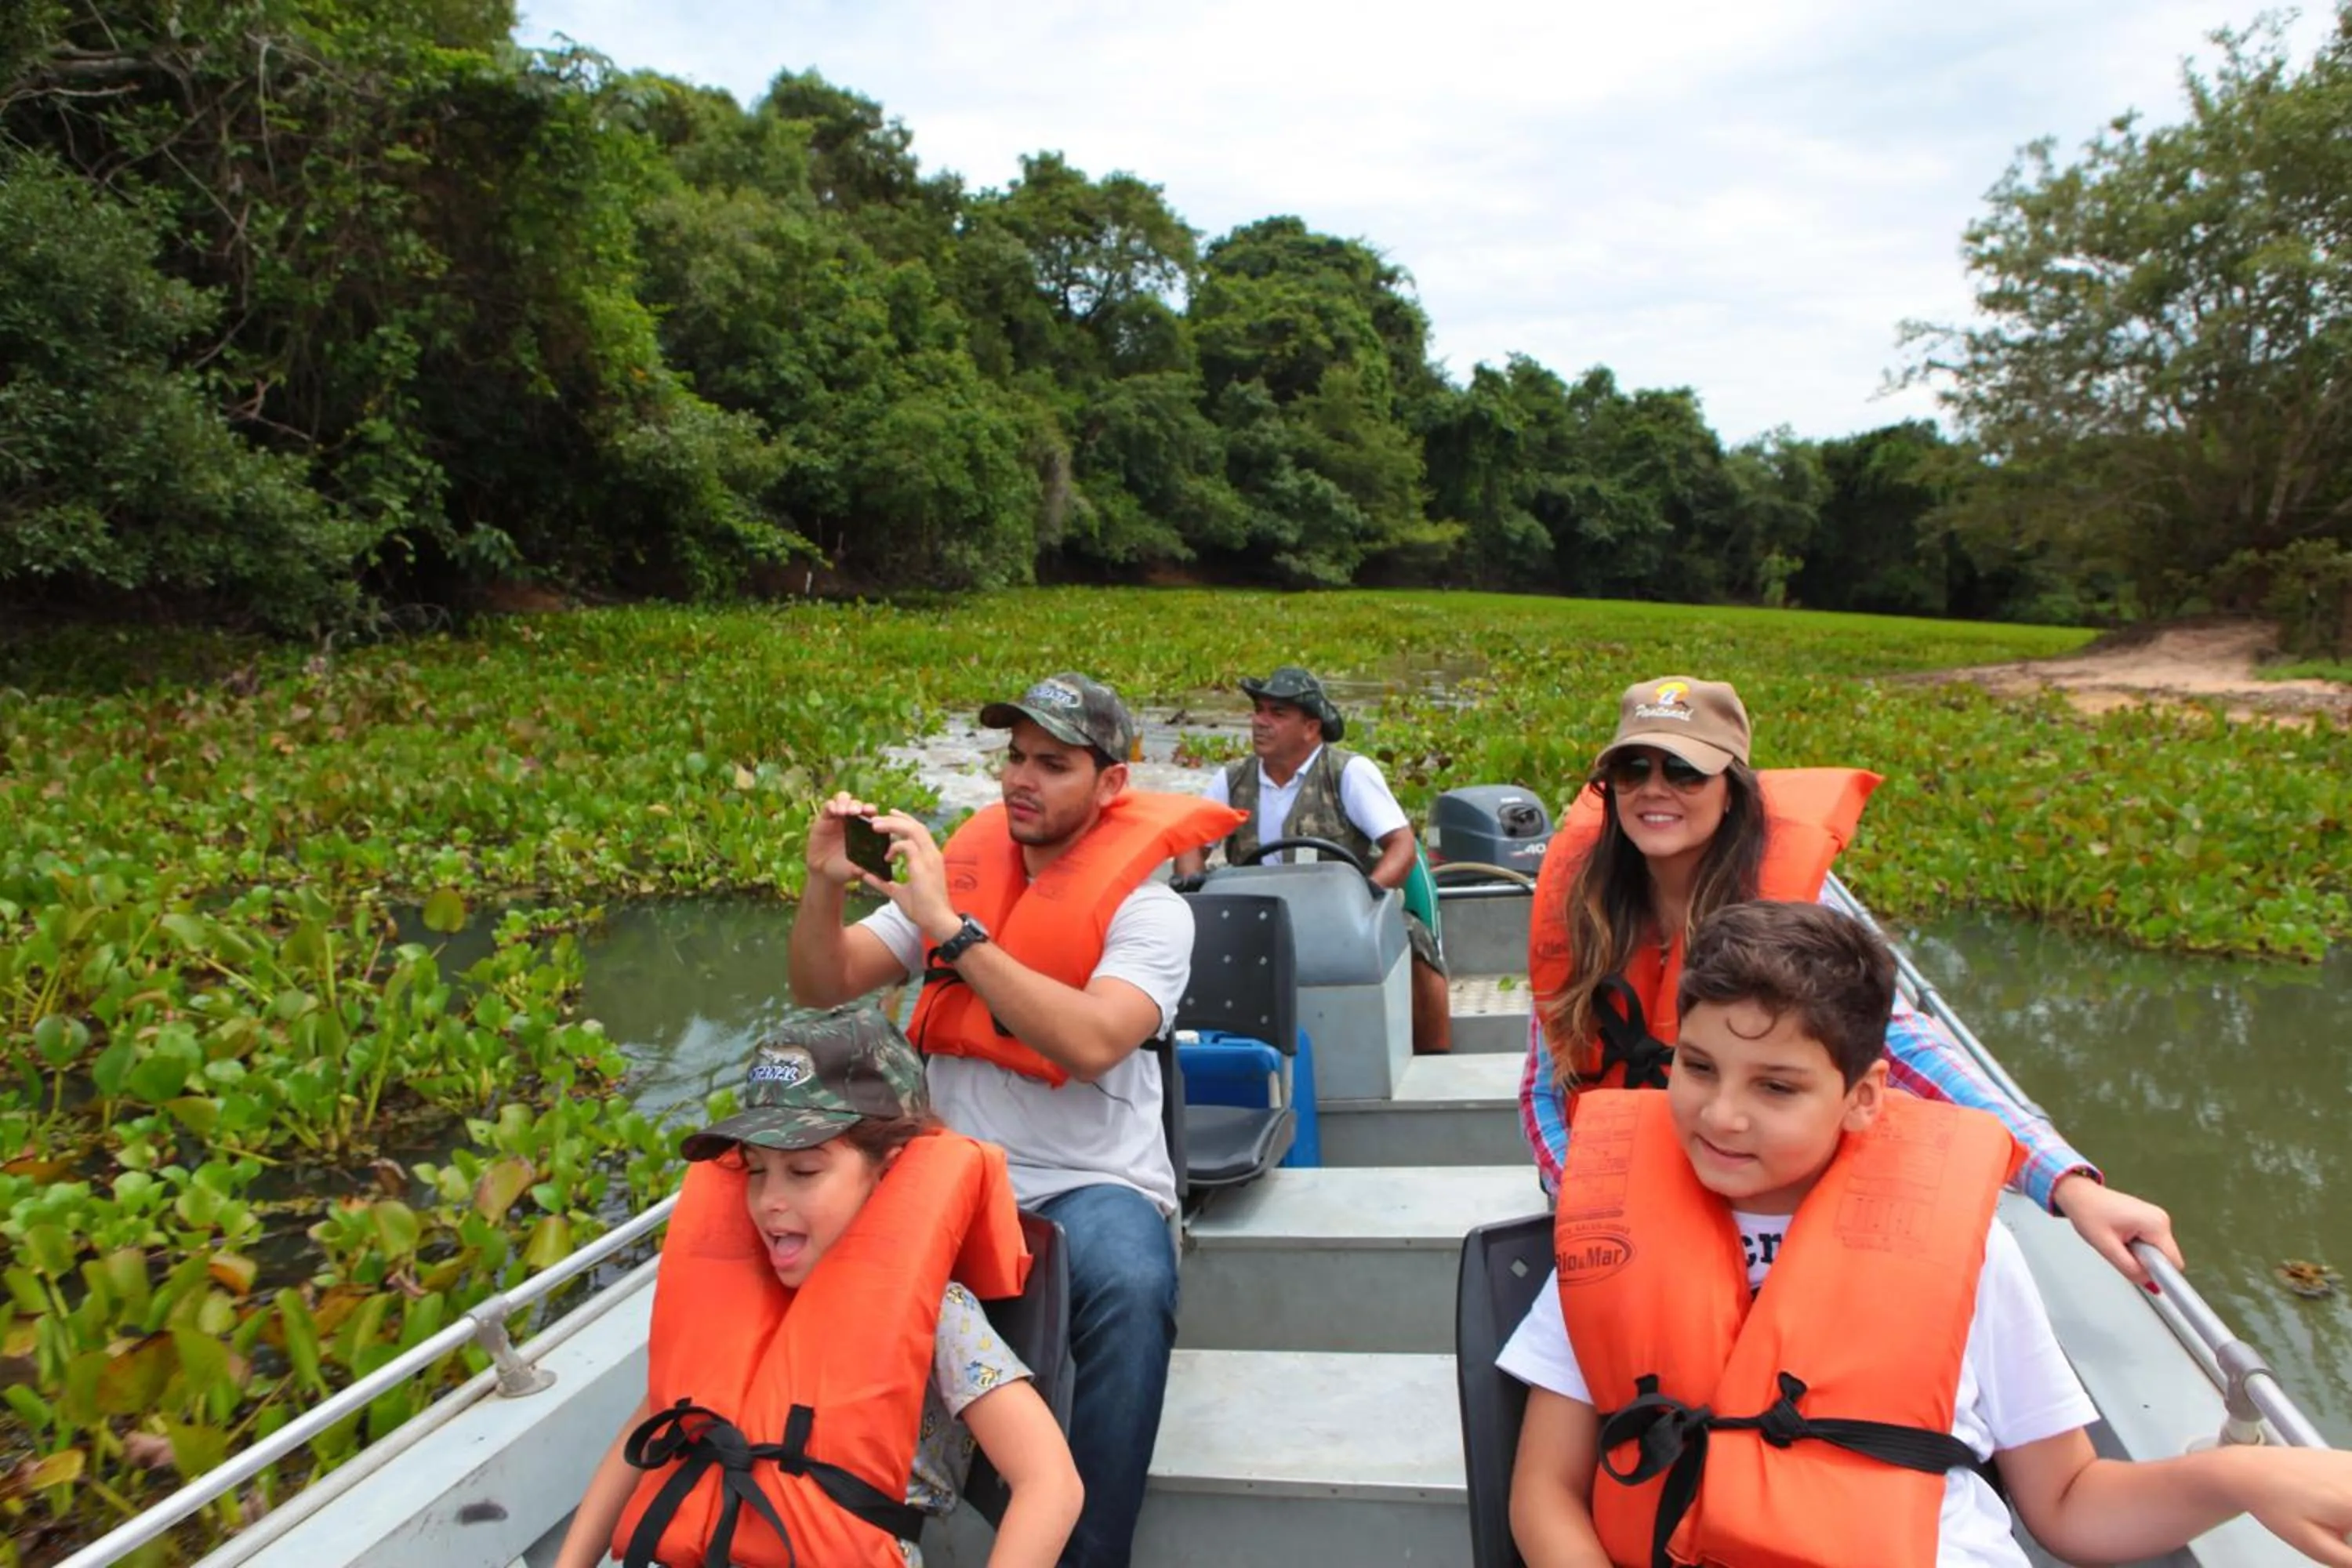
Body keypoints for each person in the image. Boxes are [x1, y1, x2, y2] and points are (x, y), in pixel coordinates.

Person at [1501, 901, 2352, 1568]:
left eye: (1778, 1086)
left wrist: (2239, 1474)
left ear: (1865, 1096)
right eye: (1697, 1067)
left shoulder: (1972, 1253)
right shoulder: (1612, 1233)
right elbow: (1547, 1487)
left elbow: (2066, 1501)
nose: (1722, 1114)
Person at [788, 673, 1243, 1568]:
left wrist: (950, 932)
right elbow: (822, 981)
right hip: (947, 1175)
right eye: (1014, 757)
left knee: (1130, 1278)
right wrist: (822, 884)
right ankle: (844, 1535)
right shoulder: (955, 877)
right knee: (807, 1240)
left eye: (1054, 763)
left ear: (1111, 784)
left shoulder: (1148, 909)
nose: (1021, 780)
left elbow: (1094, 1038)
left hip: (1086, 1186)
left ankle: (1089, 1551)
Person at [1518, 674, 2179, 1285]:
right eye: (1634, 768)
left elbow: (1908, 1049)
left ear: (1733, 791)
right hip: (1618, 1207)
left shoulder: (1800, 914)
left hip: (1770, 1205)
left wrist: (2069, 1184)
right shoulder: (1584, 909)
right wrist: (1590, 1194)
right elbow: (1545, 1086)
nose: (1655, 790)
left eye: (1686, 771)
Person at [554, 1008, 1083, 1568]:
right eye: (756, 1171)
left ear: (889, 1172)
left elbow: (1050, 1483)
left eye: (803, 1173)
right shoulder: (743, 1291)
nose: (769, 1201)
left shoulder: (940, 1315)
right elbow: (654, 1420)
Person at [1172, 664, 1453, 1054]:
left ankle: (1433, 1056)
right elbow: (1190, 842)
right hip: (1258, 920)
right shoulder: (1232, 779)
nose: (1260, 722)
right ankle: (1207, 1052)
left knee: (1412, 940)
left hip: (1339, 915)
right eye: (1259, 711)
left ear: (1311, 727)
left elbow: (1401, 845)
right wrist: (1192, 881)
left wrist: (1370, 895)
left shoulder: (1348, 773)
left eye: (1277, 714)